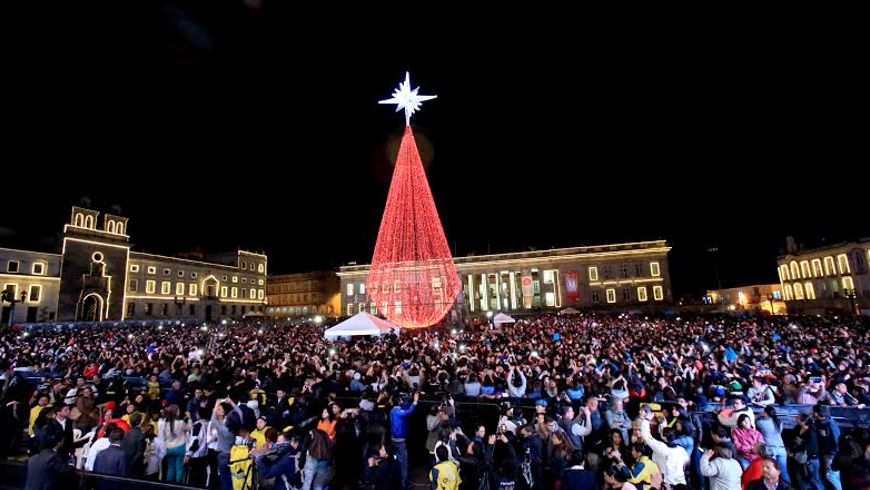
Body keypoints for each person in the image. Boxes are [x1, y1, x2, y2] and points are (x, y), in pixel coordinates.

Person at [24, 424, 74, 490]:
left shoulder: (33, 458)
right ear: (59, 442)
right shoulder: (53, 458)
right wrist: (71, 464)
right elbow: (67, 472)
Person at [390, 391, 419, 489]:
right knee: (404, 463)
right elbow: (409, 411)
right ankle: (404, 484)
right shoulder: (399, 412)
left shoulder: (392, 410)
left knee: (398, 460)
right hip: (400, 441)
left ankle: (399, 481)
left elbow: (404, 406)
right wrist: (415, 401)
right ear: (399, 402)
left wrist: (409, 397)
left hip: (394, 440)